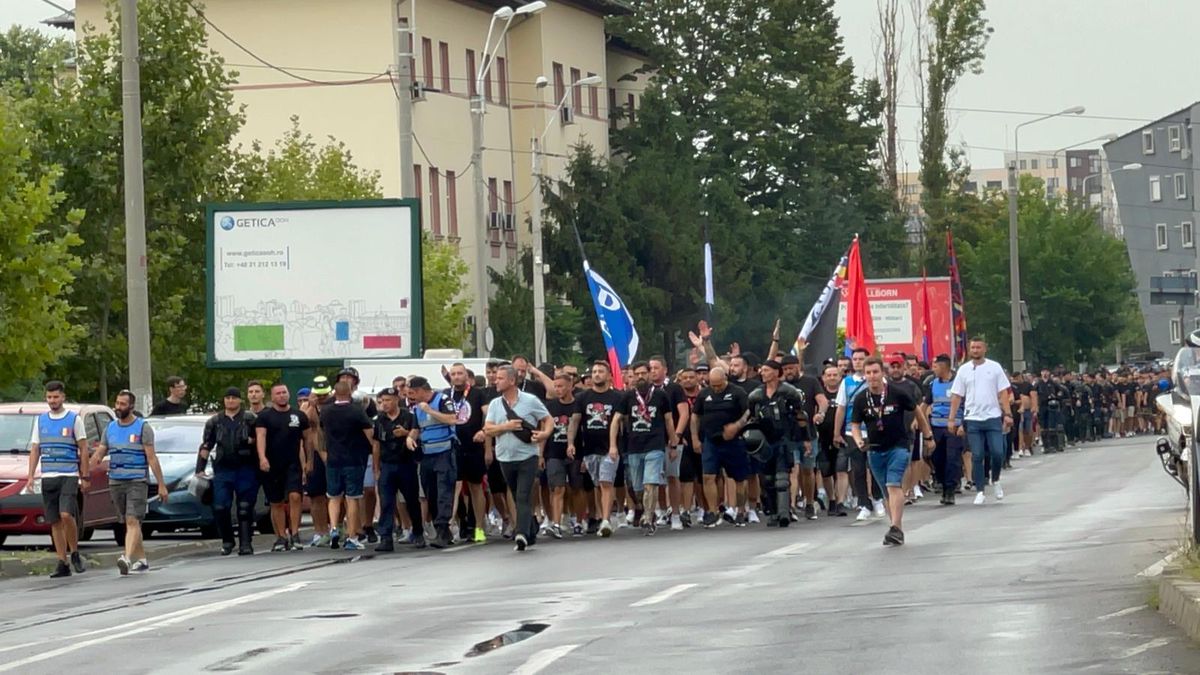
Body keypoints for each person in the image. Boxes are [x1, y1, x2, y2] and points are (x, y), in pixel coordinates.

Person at [850, 357, 935, 546]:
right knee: (887, 492)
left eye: (875, 372)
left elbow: (918, 412)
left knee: (893, 485)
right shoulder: (861, 398)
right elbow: (855, 424)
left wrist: (928, 436)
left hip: (898, 447)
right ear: (865, 375)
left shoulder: (897, 393)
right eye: (868, 373)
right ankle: (896, 528)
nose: (872, 376)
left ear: (882, 373)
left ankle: (895, 527)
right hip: (874, 450)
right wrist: (858, 441)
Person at [92, 390, 167, 574]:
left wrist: (161, 484)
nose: (118, 407)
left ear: (131, 406)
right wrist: (89, 467)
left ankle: (126, 557)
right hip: (115, 481)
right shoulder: (110, 428)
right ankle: (141, 560)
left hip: (137, 481)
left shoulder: (143, 427)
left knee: (133, 519)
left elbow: (152, 458)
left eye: (122, 404)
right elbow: (101, 451)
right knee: (128, 522)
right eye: (117, 403)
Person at [484, 365, 553, 551]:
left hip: (527, 455)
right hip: (505, 457)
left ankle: (521, 533)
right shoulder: (495, 404)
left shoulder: (530, 400)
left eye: (500, 378)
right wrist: (506, 427)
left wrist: (544, 434)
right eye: (495, 378)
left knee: (523, 495)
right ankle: (530, 528)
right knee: (515, 495)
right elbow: (488, 429)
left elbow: (548, 419)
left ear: (512, 381)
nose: (495, 381)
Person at [25, 381, 90, 577]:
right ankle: (62, 562)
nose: (52, 401)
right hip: (48, 475)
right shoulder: (41, 420)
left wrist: (84, 475)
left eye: (56, 397)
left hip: (68, 474)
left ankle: (75, 552)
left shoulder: (73, 420)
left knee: (65, 515)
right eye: (49, 397)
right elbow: (35, 449)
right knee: (54, 520)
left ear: (63, 397)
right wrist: (30, 476)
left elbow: (84, 448)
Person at [611, 362, 677, 535]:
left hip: (655, 445)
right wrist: (613, 445)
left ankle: (648, 517)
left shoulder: (661, 395)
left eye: (643, 373)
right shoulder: (627, 397)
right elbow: (616, 420)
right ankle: (645, 508)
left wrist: (673, 442)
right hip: (633, 447)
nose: (640, 377)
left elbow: (669, 420)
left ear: (649, 374)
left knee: (651, 483)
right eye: (637, 373)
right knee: (636, 487)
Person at [948, 338, 1013, 505]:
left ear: (985, 349)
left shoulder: (994, 367)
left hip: (992, 416)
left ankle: (996, 479)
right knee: (977, 455)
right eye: (973, 348)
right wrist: (952, 418)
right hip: (973, 418)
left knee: (997, 452)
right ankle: (980, 490)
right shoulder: (963, 370)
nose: (975, 350)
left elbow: (1003, 393)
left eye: (978, 347)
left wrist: (1007, 413)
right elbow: (957, 395)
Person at [196, 388, 259, 556]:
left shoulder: (250, 419)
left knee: (245, 508)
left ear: (239, 400)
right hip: (223, 469)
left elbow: (261, 440)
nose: (230, 401)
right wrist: (200, 469)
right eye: (227, 398)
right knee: (220, 506)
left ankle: (246, 543)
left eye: (234, 398)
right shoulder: (214, 422)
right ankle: (227, 540)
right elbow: (206, 446)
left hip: (246, 467)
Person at [747, 360, 807, 527]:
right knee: (767, 479)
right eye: (762, 370)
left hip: (784, 438)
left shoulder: (790, 392)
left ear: (775, 372)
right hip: (765, 441)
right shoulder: (755, 396)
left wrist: (805, 438)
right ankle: (772, 512)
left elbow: (800, 417)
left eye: (766, 370)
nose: (762, 373)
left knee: (782, 478)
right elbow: (751, 418)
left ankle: (784, 513)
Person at [320, 380, 376, 550]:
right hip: (353, 459)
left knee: (333, 497)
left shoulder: (326, 411)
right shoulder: (356, 411)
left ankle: (334, 529)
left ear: (335, 393)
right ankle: (352, 536)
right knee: (352, 498)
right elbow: (369, 434)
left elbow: (323, 432)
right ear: (350, 392)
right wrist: (375, 450)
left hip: (333, 459)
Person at [691, 367, 751, 528]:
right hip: (711, 440)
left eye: (719, 385)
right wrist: (695, 438)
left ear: (725, 378)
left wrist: (737, 425)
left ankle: (740, 511)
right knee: (708, 476)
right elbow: (695, 416)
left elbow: (748, 413)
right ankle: (713, 511)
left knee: (739, 478)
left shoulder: (737, 392)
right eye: (713, 385)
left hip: (734, 440)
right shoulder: (704, 394)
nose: (716, 388)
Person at [254, 382, 310, 551]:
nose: (282, 396)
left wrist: (309, 461)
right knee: (276, 502)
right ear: (272, 397)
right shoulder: (265, 417)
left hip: (292, 463)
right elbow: (260, 437)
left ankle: (294, 533)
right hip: (272, 464)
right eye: (278, 393)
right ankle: (280, 536)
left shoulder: (298, 416)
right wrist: (262, 458)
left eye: (284, 392)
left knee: (295, 496)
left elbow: (307, 440)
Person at [407, 376, 460, 548]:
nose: (412, 397)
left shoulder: (442, 400)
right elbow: (416, 428)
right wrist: (410, 438)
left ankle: (443, 530)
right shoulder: (417, 408)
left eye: (414, 393)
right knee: (431, 494)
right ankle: (443, 531)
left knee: (444, 492)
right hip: (427, 454)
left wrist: (430, 410)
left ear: (422, 390)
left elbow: (452, 419)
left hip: (444, 452)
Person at [574, 361, 625, 537]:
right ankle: (598, 516)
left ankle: (606, 520)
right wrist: (571, 444)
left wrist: (616, 446)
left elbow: (620, 423)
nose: (596, 374)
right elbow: (575, 422)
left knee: (606, 482)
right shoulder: (582, 398)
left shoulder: (617, 397)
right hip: (589, 449)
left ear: (609, 375)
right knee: (597, 484)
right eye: (594, 372)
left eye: (600, 371)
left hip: (609, 448)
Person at [834, 348, 884, 522]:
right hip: (851, 430)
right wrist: (836, 432)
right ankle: (864, 503)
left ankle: (878, 499)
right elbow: (841, 408)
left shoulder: (878, 380)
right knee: (858, 469)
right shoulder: (846, 382)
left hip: (873, 430)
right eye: (854, 359)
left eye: (860, 359)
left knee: (875, 466)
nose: (857, 362)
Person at [373, 387, 421, 551]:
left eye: (387, 400)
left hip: (406, 464)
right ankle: (386, 537)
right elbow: (376, 444)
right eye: (381, 401)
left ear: (396, 400)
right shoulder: (379, 420)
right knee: (386, 502)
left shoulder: (409, 417)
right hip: (387, 465)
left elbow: (418, 436)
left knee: (411, 501)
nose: (384, 404)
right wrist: (376, 467)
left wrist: (406, 434)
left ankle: (418, 532)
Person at [782, 353, 827, 521]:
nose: (788, 372)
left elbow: (822, 401)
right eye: (785, 369)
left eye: (791, 368)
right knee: (793, 470)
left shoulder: (810, 381)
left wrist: (820, 413)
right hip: (789, 434)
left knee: (808, 471)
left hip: (809, 433)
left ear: (798, 366)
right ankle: (791, 506)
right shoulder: (782, 385)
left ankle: (809, 502)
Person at [447, 363, 489, 544]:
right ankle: (456, 525)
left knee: (476, 487)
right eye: (453, 374)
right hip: (452, 447)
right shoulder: (445, 395)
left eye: (460, 373)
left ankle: (479, 526)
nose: (457, 377)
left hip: (474, 447)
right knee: (453, 488)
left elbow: (488, 417)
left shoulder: (478, 394)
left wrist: (485, 435)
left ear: (467, 376)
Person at [648, 357, 690, 530]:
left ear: (665, 369)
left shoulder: (674, 388)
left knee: (673, 476)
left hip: (671, 439)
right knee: (655, 479)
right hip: (652, 440)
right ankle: (663, 511)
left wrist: (677, 436)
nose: (653, 371)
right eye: (650, 368)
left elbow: (684, 413)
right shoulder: (646, 390)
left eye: (656, 368)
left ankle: (676, 514)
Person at [543, 374, 580, 539]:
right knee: (557, 488)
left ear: (570, 386)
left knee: (576, 488)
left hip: (576, 452)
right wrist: (540, 454)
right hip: (554, 452)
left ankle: (578, 520)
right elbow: (545, 430)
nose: (558, 390)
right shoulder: (550, 407)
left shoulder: (578, 404)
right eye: (556, 386)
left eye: (561, 386)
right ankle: (556, 524)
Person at [924, 355, 964, 505]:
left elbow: (966, 405)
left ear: (944, 366)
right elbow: (926, 403)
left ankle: (950, 489)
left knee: (952, 458)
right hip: (936, 426)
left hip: (954, 427)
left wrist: (962, 425)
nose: (933, 369)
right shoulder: (933, 383)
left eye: (936, 366)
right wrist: (919, 419)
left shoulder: (959, 383)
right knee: (937, 458)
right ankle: (940, 480)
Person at [301, 377, 332, 547]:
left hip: (332, 452)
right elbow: (304, 424)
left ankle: (336, 525)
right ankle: (320, 531)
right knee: (316, 496)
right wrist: (311, 406)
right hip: (314, 455)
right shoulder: (307, 407)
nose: (322, 398)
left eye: (324, 394)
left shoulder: (333, 404)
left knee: (335, 495)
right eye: (318, 395)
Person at [815, 364, 848, 516]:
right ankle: (832, 500)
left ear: (840, 377)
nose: (832, 377)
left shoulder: (845, 393)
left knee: (841, 470)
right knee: (826, 472)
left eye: (835, 375)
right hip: (823, 439)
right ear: (823, 378)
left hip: (842, 437)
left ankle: (841, 501)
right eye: (829, 375)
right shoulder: (819, 396)